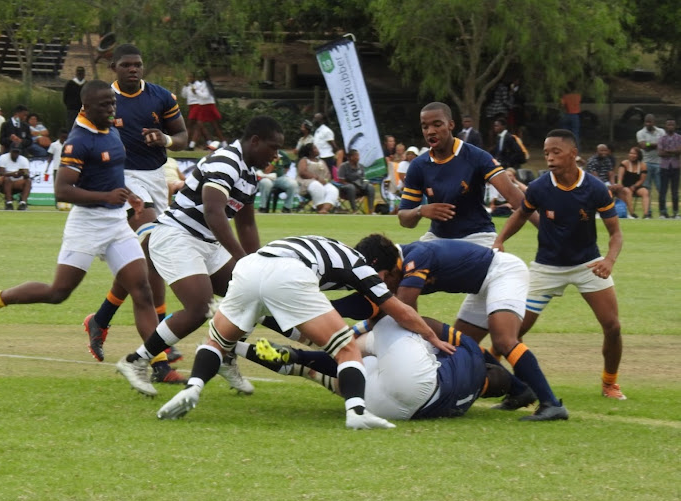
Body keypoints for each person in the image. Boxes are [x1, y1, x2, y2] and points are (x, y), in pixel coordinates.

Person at [0, 80, 161, 397]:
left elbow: (114, 176)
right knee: (58, 292)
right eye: (104, 105)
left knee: (142, 289)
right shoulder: (78, 141)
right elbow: (63, 190)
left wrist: (130, 197)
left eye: (113, 103)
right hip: (86, 224)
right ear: (86, 107)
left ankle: (153, 362)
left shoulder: (110, 130)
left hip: (115, 222)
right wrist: (106, 195)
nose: (111, 109)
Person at [155, 235, 456, 428]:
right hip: (289, 272)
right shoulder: (360, 265)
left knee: (216, 342)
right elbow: (399, 309)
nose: (384, 281)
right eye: (386, 275)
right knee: (347, 348)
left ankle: (192, 388)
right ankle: (357, 412)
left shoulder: (329, 248)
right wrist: (431, 336)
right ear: (378, 264)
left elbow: (304, 321)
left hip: (249, 266)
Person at [117, 115, 285, 398]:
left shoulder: (250, 175)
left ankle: (226, 357)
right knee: (198, 307)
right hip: (176, 236)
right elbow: (213, 211)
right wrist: (242, 258)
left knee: (252, 293)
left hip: (206, 241)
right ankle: (136, 361)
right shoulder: (226, 160)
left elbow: (246, 224)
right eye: (273, 147)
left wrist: (255, 263)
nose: (276, 155)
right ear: (255, 141)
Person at [354, 235, 567, 420]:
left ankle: (552, 404)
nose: (380, 284)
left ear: (389, 268)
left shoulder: (416, 259)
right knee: (465, 347)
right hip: (481, 284)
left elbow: (404, 313)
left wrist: (354, 332)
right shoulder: (398, 263)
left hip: (503, 272)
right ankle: (520, 391)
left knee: (504, 340)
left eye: (380, 278)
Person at [81, 44, 189, 385]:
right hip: (121, 180)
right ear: (113, 67)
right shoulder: (100, 100)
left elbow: (184, 137)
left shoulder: (161, 97)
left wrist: (165, 140)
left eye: (138, 65)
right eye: (126, 65)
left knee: (145, 260)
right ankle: (158, 351)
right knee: (151, 248)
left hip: (155, 179)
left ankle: (101, 318)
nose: (133, 70)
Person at [492, 128, 626, 400]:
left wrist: (609, 260)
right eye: (546, 153)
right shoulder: (541, 187)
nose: (550, 158)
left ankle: (609, 383)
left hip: (588, 265)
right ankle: (486, 375)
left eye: (556, 152)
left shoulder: (595, 188)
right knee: (511, 333)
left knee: (612, 326)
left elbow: (616, 233)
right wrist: (500, 239)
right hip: (546, 268)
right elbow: (521, 214)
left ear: (573, 154)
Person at [244, 317, 513, 420]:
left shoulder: (474, 355)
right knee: (355, 372)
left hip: (419, 382)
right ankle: (298, 362)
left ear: (490, 369)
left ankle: (317, 341)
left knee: (390, 320)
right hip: (398, 411)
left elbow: (424, 322)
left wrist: (428, 335)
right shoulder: (465, 404)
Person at [397, 101, 529, 248]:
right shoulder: (418, 165)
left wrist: (547, 230)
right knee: (406, 263)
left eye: (437, 124)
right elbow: (404, 218)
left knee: (499, 267)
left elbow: (518, 199)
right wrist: (421, 210)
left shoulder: (477, 157)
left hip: (478, 236)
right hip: (437, 237)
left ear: (451, 125)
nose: (430, 131)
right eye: (425, 126)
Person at [296, 143, 340, 214]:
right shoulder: (304, 160)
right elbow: (302, 172)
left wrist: (325, 180)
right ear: (310, 152)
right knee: (317, 186)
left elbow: (328, 174)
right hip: (307, 182)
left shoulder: (321, 161)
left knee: (333, 190)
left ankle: (324, 209)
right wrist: (316, 178)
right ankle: (320, 208)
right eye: (315, 148)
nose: (317, 150)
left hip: (323, 183)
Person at [635, 114, 663, 216]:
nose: (648, 124)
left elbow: (662, 145)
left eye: (650, 122)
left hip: (659, 163)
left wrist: (649, 144)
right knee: (647, 189)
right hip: (646, 164)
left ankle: (662, 212)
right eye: (646, 122)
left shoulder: (661, 131)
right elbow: (643, 146)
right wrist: (655, 144)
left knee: (661, 188)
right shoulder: (640, 133)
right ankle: (648, 212)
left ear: (654, 122)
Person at [256, 149, 298, 213]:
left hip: (280, 177)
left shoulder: (282, 154)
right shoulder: (264, 154)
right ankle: (263, 207)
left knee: (293, 184)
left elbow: (287, 166)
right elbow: (266, 171)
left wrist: (281, 173)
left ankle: (287, 208)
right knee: (265, 183)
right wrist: (274, 161)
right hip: (267, 177)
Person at [616, 147, 650, 219]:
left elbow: (642, 180)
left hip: (636, 186)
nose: (632, 155)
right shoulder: (624, 163)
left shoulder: (642, 165)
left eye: (634, 154)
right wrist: (620, 185)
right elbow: (620, 177)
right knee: (628, 191)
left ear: (638, 155)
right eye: (631, 153)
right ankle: (632, 213)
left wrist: (634, 186)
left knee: (645, 192)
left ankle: (646, 214)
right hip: (624, 186)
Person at [337, 148, 375, 213]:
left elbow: (363, 178)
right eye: (356, 156)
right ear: (351, 157)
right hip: (346, 189)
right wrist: (353, 186)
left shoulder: (361, 166)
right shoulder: (343, 166)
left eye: (358, 156)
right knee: (351, 187)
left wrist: (364, 184)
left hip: (360, 187)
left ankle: (371, 210)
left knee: (370, 187)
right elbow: (341, 180)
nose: (358, 158)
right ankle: (354, 210)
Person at [657, 118, 681, 219]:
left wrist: (667, 151)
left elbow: (679, 151)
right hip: (664, 167)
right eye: (668, 125)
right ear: (665, 126)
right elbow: (660, 153)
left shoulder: (679, 138)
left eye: (672, 125)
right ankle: (663, 212)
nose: (670, 126)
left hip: (676, 167)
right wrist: (673, 152)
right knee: (663, 190)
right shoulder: (662, 138)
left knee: (675, 191)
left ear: (675, 126)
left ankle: (675, 212)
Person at [0, 143, 30, 210]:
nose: (15, 154)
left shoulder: (24, 160)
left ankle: (23, 203)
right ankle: (9, 203)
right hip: (3, 183)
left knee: (28, 181)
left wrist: (23, 173)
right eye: (14, 152)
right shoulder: (3, 158)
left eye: (17, 152)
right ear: (10, 151)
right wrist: (12, 174)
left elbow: (27, 174)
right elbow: (1, 173)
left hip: (17, 182)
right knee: (7, 179)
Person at [560, 84, 581, 148]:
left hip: (566, 114)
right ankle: (576, 149)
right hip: (575, 116)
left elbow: (561, 105)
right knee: (575, 133)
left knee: (564, 133)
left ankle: (564, 148)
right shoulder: (578, 96)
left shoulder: (564, 97)